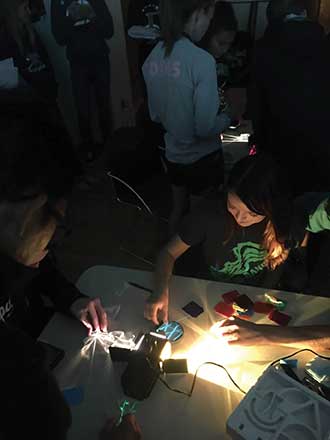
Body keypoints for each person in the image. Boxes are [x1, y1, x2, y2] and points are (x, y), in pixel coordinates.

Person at [145, 154, 294, 325]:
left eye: (252, 214)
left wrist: (263, 295)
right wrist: (160, 290)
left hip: (253, 297)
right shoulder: (208, 214)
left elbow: (278, 264)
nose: (240, 218)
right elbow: (168, 252)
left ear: (272, 209)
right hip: (208, 290)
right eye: (232, 207)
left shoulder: (281, 223)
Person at [142, 0, 232, 235]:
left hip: (173, 155)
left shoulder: (151, 59)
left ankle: (171, 255)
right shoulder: (202, 61)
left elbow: (154, 115)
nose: (208, 25)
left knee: (177, 209)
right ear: (200, 13)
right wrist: (228, 117)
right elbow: (205, 128)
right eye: (209, 18)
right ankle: (193, 265)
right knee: (199, 219)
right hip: (202, 160)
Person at [249, 0, 330, 195]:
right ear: (304, 13)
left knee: (280, 202)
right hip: (323, 145)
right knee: (315, 211)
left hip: (278, 145)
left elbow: (256, 106)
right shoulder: (325, 45)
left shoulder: (263, 49)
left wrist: (257, 140)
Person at [51, 0, 114, 162]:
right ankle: (88, 151)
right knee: (82, 109)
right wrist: (73, 19)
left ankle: (111, 147)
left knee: (104, 105)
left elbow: (109, 30)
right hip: (78, 62)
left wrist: (91, 16)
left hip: (100, 57)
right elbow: (59, 37)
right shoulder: (58, 2)